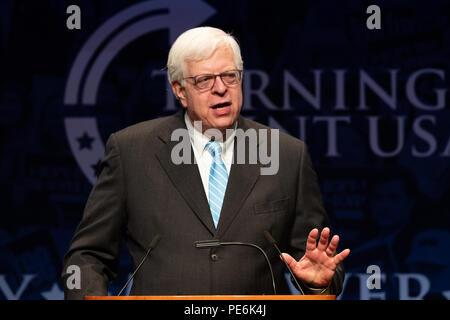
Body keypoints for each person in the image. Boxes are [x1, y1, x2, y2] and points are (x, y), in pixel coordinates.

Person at [61, 26, 349, 299]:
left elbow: (316, 263)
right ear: (179, 90)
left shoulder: (286, 155)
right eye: (204, 80)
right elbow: (88, 255)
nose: (220, 89)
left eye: (229, 76)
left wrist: (317, 284)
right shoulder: (131, 152)